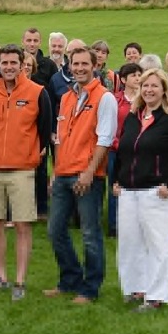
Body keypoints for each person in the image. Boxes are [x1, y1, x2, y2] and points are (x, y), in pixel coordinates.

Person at [113, 68, 168, 312]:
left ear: (164, 90)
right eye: (145, 86)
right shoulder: (132, 117)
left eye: (154, 86)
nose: (149, 90)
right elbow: (124, 150)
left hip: (157, 192)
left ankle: (156, 296)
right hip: (129, 191)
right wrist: (118, 179)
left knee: (158, 244)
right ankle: (135, 288)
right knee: (129, 242)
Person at [0, 44, 51, 301]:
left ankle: (20, 281)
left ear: (22, 65)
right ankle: (0, 277)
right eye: (4, 63)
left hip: (22, 169)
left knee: (22, 225)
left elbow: (44, 130)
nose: (8, 67)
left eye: (13, 63)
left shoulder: (37, 92)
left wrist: (30, 154)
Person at [45, 46, 117, 304]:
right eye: (75, 64)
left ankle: (90, 288)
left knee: (89, 233)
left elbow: (105, 138)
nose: (79, 68)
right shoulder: (65, 97)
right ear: (69, 66)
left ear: (95, 65)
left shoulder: (104, 98)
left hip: (88, 176)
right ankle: (69, 280)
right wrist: (55, 171)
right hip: (63, 173)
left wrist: (89, 172)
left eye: (85, 64)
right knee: (55, 231)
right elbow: (60, 137)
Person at [23, 28, 55, 220]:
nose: (32, 43)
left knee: (41, 169)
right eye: (29, 40)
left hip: (41, 124)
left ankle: (42, 208)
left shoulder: (48, 65)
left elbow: (54, 92)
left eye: (36, 40)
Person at [107, 62, 143, 237]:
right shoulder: (114, 99)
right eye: (134, 75)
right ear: (123, 79)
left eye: (139, 75)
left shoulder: (145, 100)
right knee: (115, 185)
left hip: (139, 150)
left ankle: (134, 224)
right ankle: (114, 225)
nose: (138, 78)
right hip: (116, 150)